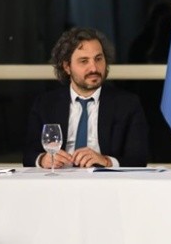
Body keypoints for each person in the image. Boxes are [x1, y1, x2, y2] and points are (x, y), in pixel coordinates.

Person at [23, 27, 149, 168]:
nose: (94, 68)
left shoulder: (127, 104)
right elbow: (28, 154)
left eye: (98, 59)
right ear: (67, 67)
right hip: (59, 181)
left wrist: (106, 161)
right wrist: (42, 159)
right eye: (84, 61)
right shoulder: (46, 103)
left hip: (106, 183)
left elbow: (138, 159)